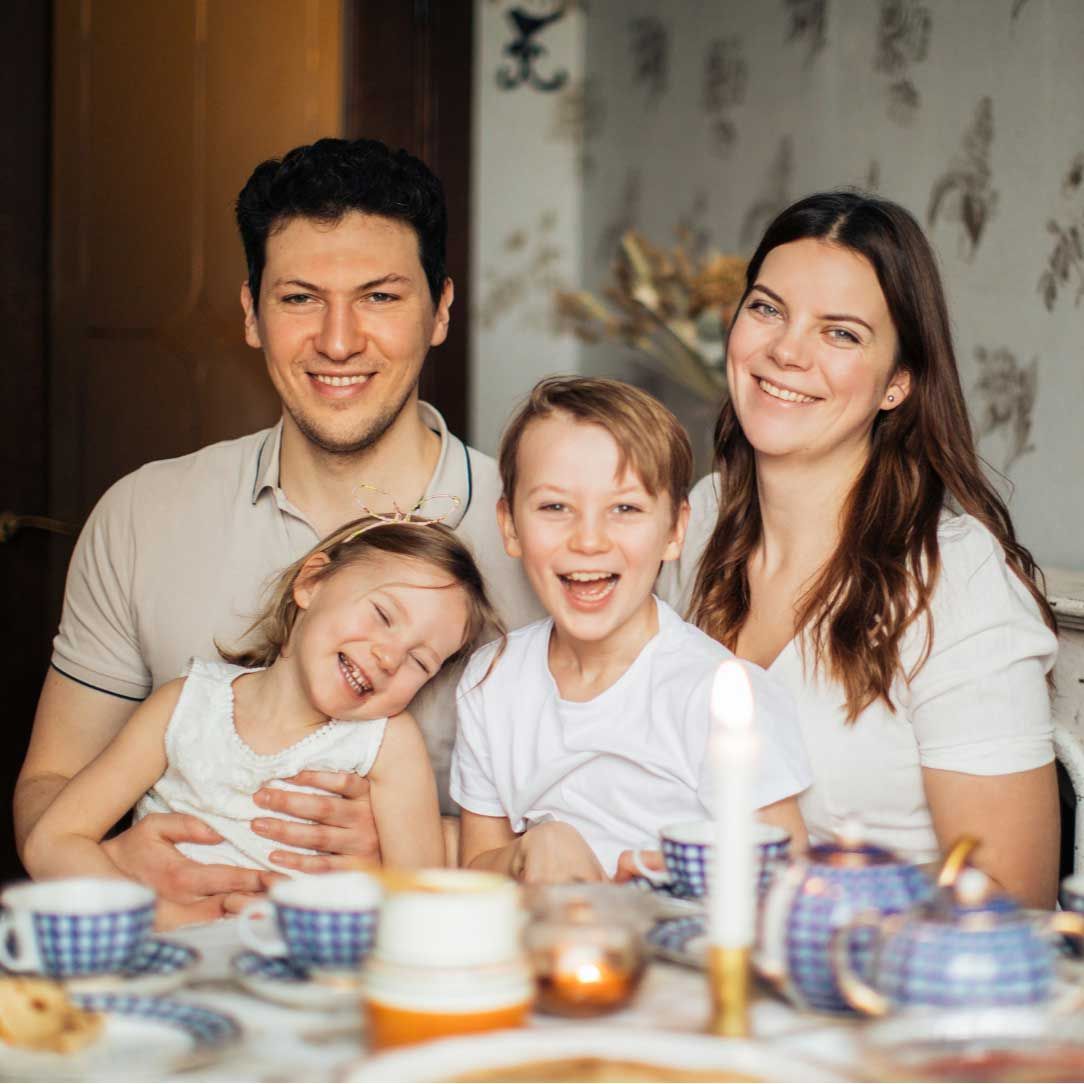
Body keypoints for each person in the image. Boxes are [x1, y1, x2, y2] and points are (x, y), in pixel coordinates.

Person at [15, 138, 540, 924]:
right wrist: (108, 871)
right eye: (300, 298)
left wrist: (413, 844)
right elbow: (50, 789)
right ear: (251, 314)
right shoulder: (143, 513)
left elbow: (606, 835)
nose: (337, 341)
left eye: (380, 297)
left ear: (442, 311)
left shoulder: (546, 539)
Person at [652, 191, 1059, 908]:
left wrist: (808, 909)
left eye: (840, 334)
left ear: (898, 383)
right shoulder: (694, 521)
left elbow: (1011, 897)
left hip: (889, 994)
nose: (785, 350)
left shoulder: (952, 581)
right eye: (767, 308)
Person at [24, 516, 502, 926]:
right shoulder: (185, 705)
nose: (389, 656)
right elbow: (54, 840)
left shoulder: (389, 743)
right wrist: (159, 921)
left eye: (421, 661)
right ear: (312, 583)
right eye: (382, 614)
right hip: (157, 956)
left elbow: (417, 901)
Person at [452, 377, 810, 882]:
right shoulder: (491, 681)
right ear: (509, 525)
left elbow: (785, 877)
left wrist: (666, 885)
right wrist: (534, 849)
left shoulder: (718, 694)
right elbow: (477, 867)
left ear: (675, 530)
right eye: (555, 507)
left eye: (625, 508)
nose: (590, 540)